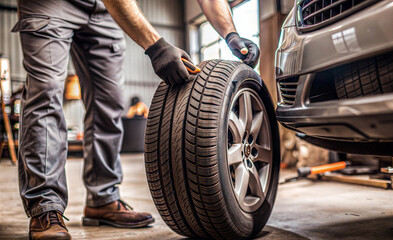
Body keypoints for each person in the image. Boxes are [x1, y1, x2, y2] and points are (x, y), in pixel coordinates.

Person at [12, 0, 260, 239]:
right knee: (46, 93)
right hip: (49, 3)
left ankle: (103, 199)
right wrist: (156, 47)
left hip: (101, 10)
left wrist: (231, 34)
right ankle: (45, 208)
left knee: (109, 103)